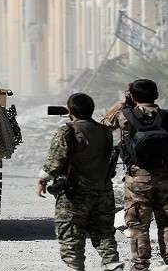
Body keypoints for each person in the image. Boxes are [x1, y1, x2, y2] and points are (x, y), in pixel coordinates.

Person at [37, 93, 123, 271]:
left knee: (70, 232)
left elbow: (55, 161)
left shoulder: (68, 131)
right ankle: (112, 263)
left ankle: (75, 267)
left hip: (75, 192)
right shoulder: (105, 131)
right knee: (104, 231)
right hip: (103, 191)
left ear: (70, 110)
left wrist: (43, 180)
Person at [103, 79, 168, 270]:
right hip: (165, 177)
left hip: (138, 178)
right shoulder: (166, 117)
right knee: (166, 222)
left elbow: (104, 124)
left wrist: (122, 103)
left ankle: (140, 265)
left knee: (138, 224)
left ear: (131, 95)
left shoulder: (124, 116)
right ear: (156, 95)